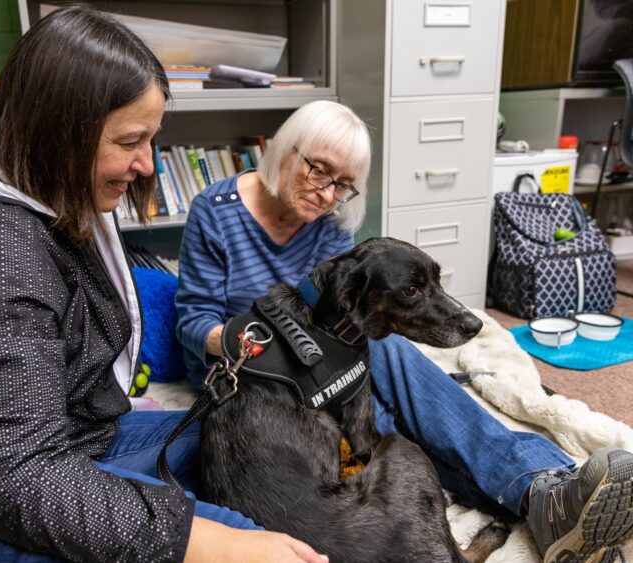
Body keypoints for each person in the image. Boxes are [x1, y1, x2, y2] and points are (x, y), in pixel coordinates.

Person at [0, 7, 329, 563]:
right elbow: (17, 477)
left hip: (64, 440)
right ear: (57, 133)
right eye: (131, 140)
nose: (146, 164)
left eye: (151, 140)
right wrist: (215, 542)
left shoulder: (50, 193)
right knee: (237, 540)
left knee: (247, 435)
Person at [175, 100, 633, 562]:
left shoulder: (331, 221)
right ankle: (532, 497)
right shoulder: (216, 212)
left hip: (328, 364)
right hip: (257, 375)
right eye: (319, 172)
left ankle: (539, 493)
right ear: (283, 151)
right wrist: (249, 341)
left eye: (343, 186)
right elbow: (193, 323)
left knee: (384, 360)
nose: (327, 194)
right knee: (390, 431)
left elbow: (353, 312)